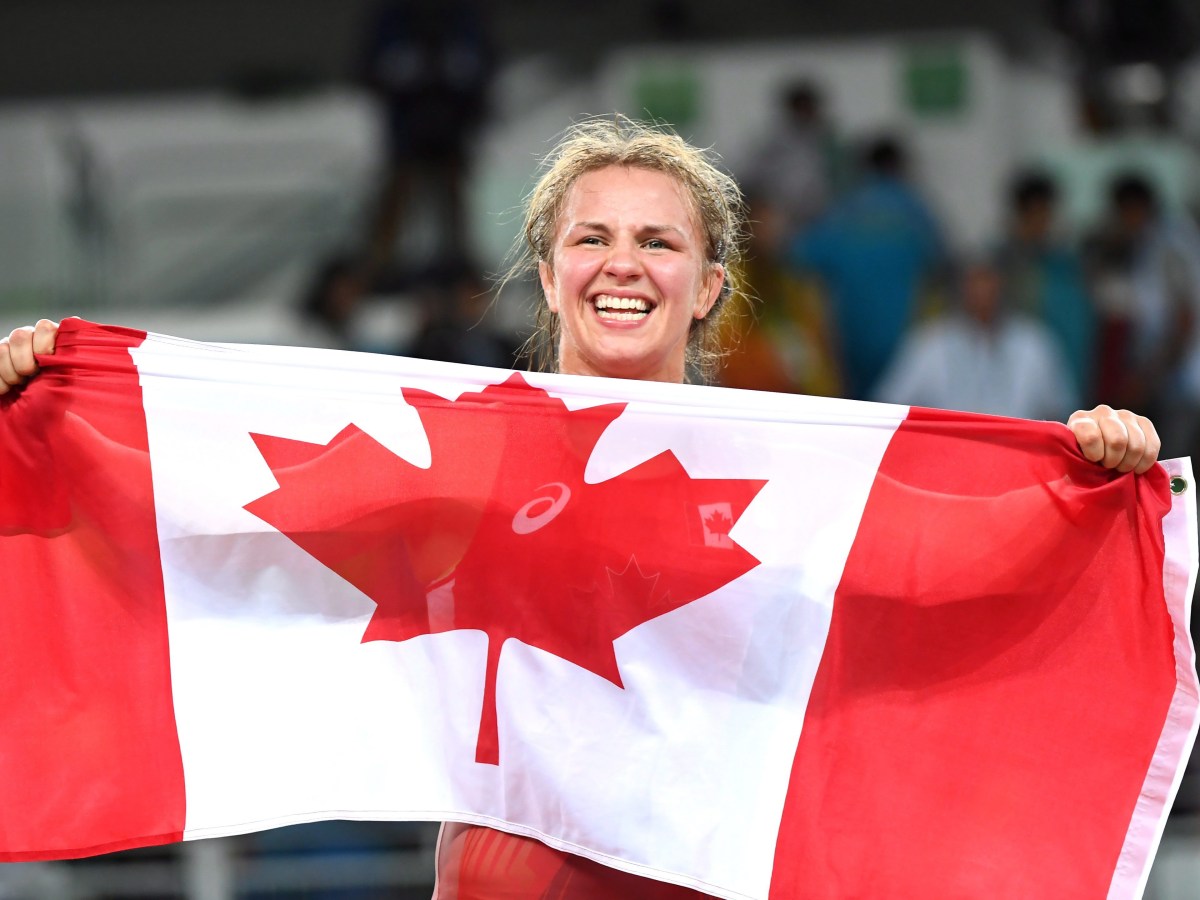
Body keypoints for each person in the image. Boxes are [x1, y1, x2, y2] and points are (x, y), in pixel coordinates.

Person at [0, 118, 1163, 897]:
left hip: (708, 874)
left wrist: (1091, 483)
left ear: (710, 286)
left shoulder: (789, 468)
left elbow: (940, 569)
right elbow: (228, 507)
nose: (623, 263)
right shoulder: (454, 445)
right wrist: (64, 410)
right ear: (545, 270)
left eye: (660, 241)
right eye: (590, 238)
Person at [873, 256, 1079, 421]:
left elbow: (1061, 412)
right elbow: (889, 405)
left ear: (1003, 284)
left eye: (989, 280)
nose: (982, 291)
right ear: (961, 287)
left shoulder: (1035, 343)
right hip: (946, 460)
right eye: (975, 281)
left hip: (1021, 461)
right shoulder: (929, 342)